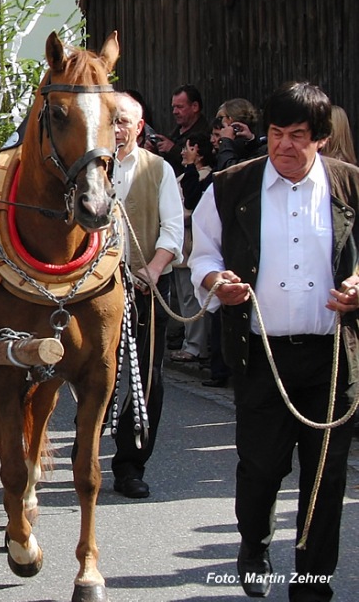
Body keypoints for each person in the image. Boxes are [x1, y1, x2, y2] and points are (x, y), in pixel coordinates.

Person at [190, 82, 359, 601]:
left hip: (332, 358)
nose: (284, 145)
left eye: (298, 136)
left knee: (326, 479)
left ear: (322, 140)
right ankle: (253, 544)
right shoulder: (229, 186)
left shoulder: (350, 186)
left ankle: (313, 583)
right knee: (262, 466)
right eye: (276, 133)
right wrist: (218, 283)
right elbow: (203, 255)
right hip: (261, 352)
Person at [109, 92, 184, 500]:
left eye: (124, 121)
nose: (117, 128)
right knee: (92, 371)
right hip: (93, 288)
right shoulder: (90, 167)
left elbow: (173, 229)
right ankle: (85, 449)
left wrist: (153, 269)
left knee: (146, 378)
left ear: (139, 127)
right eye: (112, 120)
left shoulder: (160, 170)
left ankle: (130, 465)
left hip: (146, 286)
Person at [169, 133, 214, 365]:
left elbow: (191, 209)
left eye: (189, 147)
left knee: (192, 298)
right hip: (181, 243)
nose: (184, 152)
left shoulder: (204, 177)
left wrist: (176, 218)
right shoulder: (185, 175)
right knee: (184, 297)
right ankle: (191, 342)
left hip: (192, 244)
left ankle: (195, 346)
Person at [153, 84, 210, 171]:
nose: (175, 112)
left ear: (195, 106)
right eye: (174, 107)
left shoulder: (206, 133)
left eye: (180, 107)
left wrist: (173, 149)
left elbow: (200, 163)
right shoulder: (175, 132)